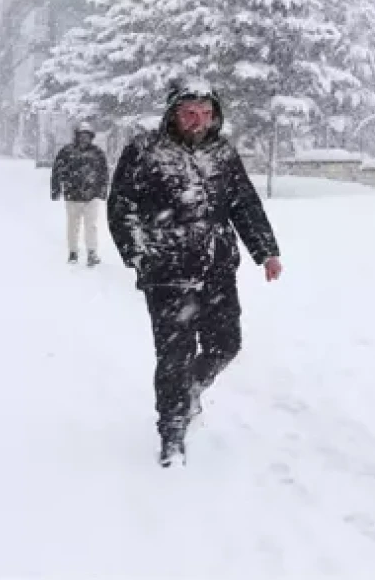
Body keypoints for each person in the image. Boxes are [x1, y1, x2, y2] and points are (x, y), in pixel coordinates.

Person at [107, 78, 282, 468]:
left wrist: (266, 251)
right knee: (175, 355)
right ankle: (172, 433)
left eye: (205, 113)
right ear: (173, 114)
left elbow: (244, 204)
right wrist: (139, 254)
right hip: (167, 271)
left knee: (226, 344)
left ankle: (189, 391)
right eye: (190, 113)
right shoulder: (145, 151)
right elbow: (122, 207)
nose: (198, 121)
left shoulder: (223, 153)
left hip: (217, 267)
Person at [50, 122, 109, 267]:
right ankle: (73, 252)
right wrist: (55, 190)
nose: (84, 139)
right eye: (81, 136)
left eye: (87, 136)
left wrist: (102, 191)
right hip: (72, 195)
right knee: (72, 226)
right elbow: (57, 171)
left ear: (91, 137)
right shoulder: (66, 152)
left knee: (91, 226)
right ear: (76, 136)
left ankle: (92, 252)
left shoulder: (97, 153)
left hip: (92, 196)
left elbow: (104, 173)